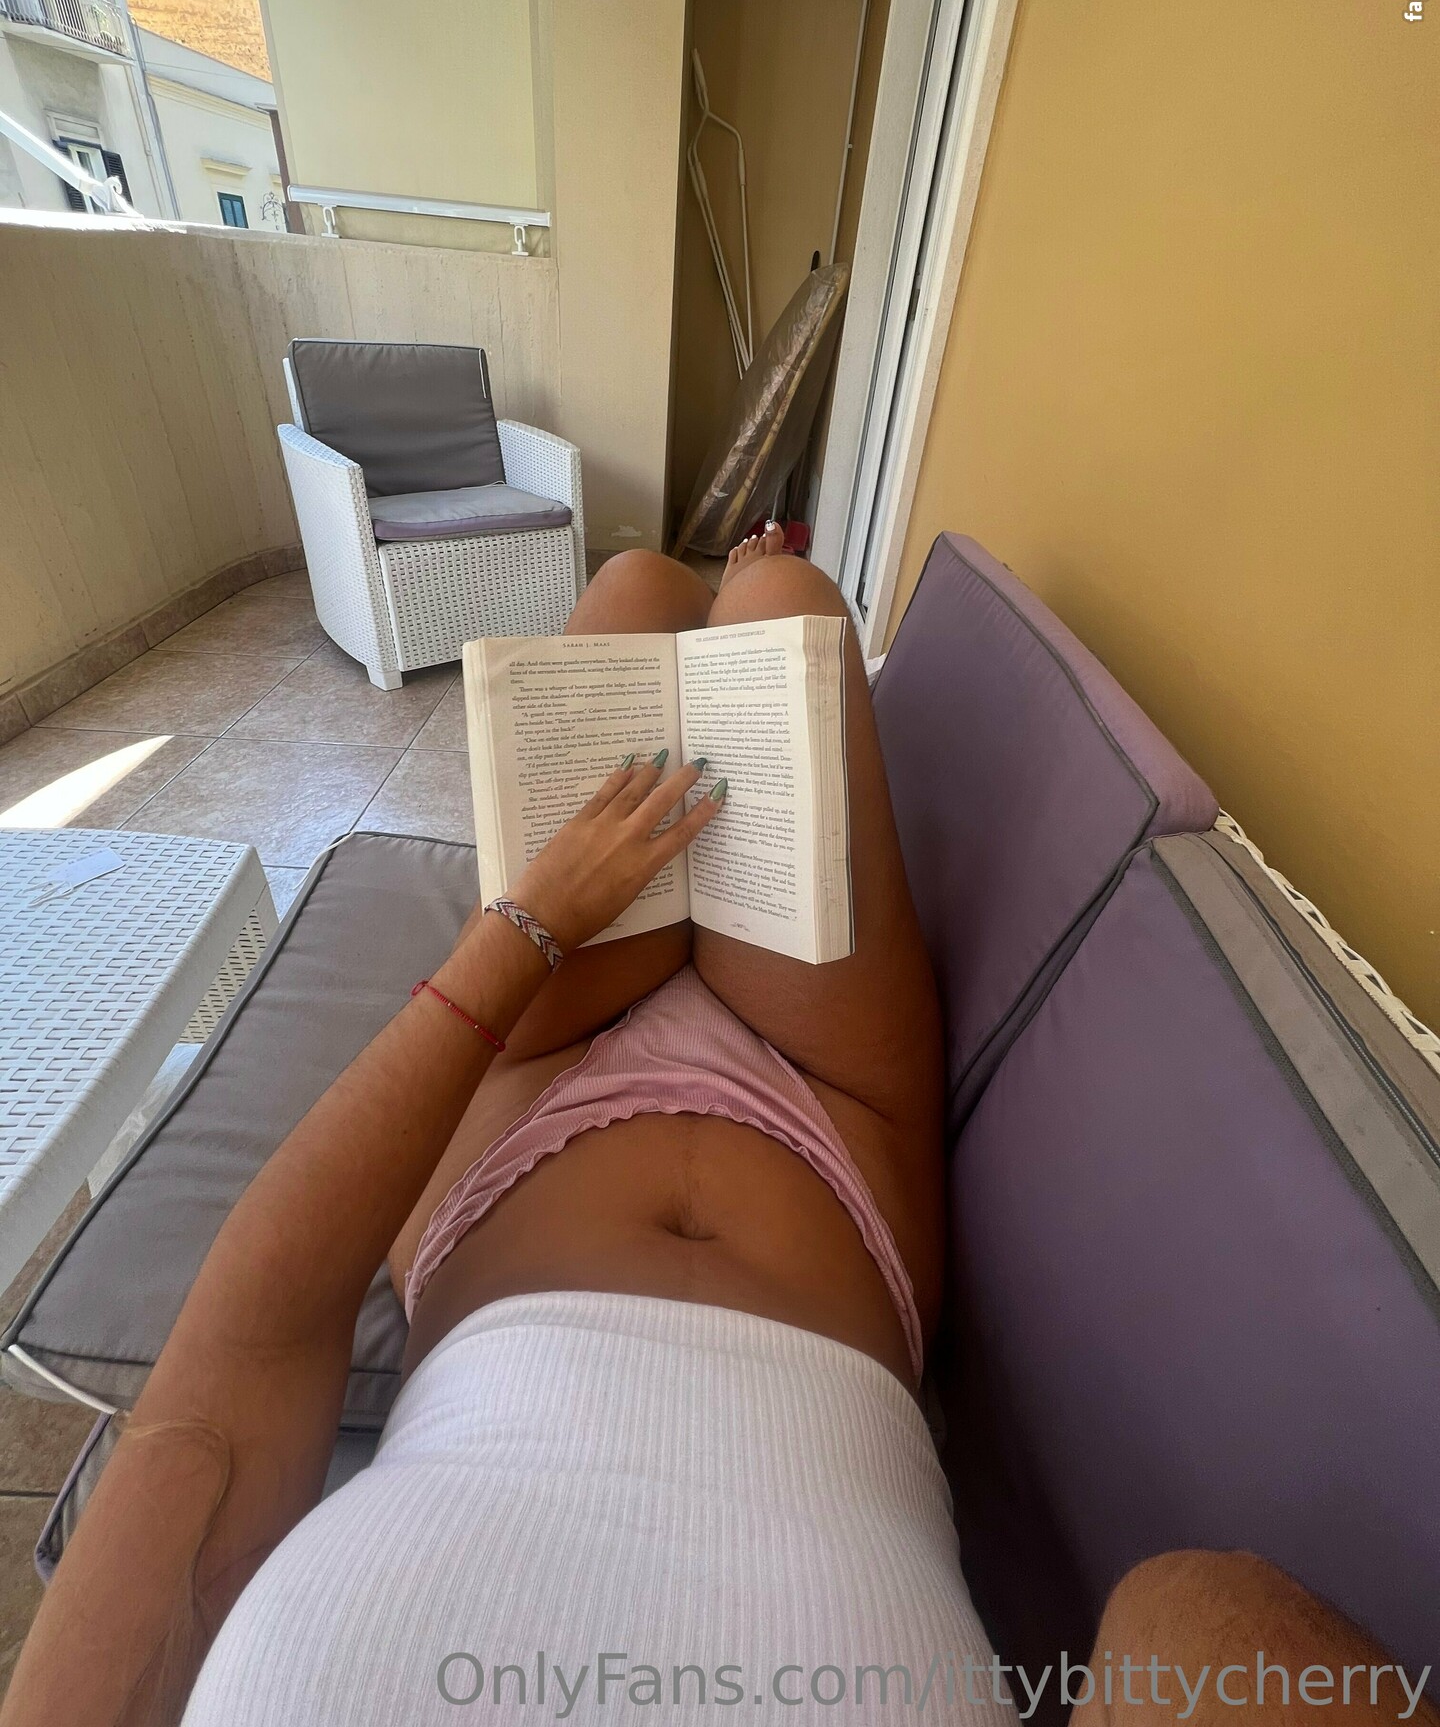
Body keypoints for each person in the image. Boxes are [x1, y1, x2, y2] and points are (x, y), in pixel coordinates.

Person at [4, 531, 1432, 1726]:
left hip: (529, 1105)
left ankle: (707, 577)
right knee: (781, 607)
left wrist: (524, 929)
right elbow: (1198, 1624)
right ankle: (751, 567)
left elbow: (239, 1367)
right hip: (830, 1137)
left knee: (633, 588)